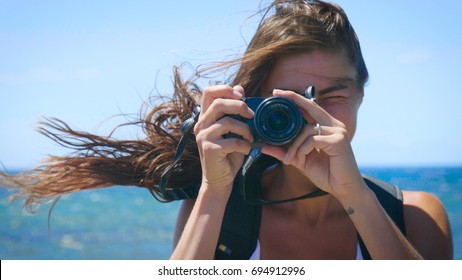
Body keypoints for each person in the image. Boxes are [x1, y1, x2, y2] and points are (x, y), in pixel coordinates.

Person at [0, 0, 452, 259]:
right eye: (286, 103)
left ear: (362, 95)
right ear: (252, 105)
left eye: (332, 94)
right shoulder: (222, 218)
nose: (311, 114)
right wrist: (214, 190)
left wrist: (355, 196)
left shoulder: (415, 217)